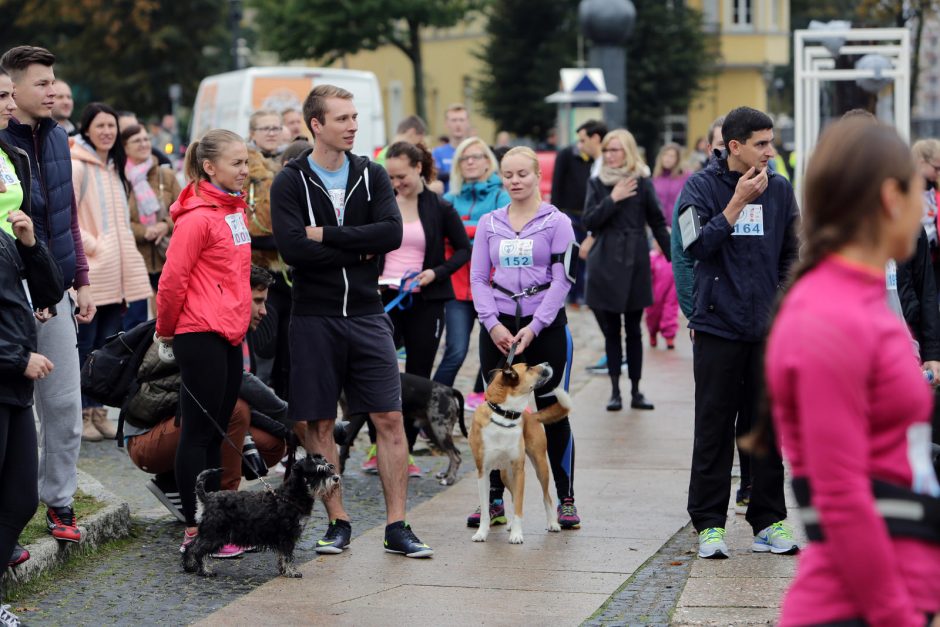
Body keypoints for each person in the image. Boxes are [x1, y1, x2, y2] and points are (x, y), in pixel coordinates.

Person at [766, 117, 940, 626]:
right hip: (854, 611)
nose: (924, 209)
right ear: (891, 197)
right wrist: (896, 615)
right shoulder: (830, 316)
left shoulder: (855, 300)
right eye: (919, 191)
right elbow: (838, 494)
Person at [270, 84, 433, 558]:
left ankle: (397, 526)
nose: (353, 126)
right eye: (342, 118)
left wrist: (328, 236)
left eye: (355, 117)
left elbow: (391, 233)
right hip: (314, 316)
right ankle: (338, 521)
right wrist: (355, 248)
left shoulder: (372, 173)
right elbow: (292, 249)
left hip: (366, 312)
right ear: (316, 125)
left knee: (389, 416)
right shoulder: (290, 180)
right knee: (319, 422)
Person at [679, 107, 800, 559]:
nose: (771, 151)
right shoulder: (700, 187)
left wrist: (781, 298)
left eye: (772, 142)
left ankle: (768, 521)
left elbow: (793, 254)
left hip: (767, 328)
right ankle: (709, 524)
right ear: (735, 146)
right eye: (762, 143)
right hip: (717, 326)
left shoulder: (781, 189)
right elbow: (694, 246)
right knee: (713, 427)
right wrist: (735, 206)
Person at [0, 46, 95, 544]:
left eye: (54, 80)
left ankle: (60, 501)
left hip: (54, 284)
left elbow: (67, 219)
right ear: (10, 90)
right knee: (14, 407)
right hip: (8, 287)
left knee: (62, 402)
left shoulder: (59, 139)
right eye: (41, 82)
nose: (53, 89)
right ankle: (8, 523)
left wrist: (79, 279)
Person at [468, 146, 580, 529]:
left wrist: (535, 327)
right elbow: (479, 278)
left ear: (537, 177)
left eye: (522, 174)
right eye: (508, 175)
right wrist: (492, 324)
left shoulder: (557, 221)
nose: (515, 181)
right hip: (498, 325)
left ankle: (565, 497)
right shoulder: (489, 223)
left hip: (544, 325)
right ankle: (495, 500)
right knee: (497, 412)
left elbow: (563, 278)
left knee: (552, 410)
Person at [128, 267, 291, 528]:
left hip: (180, 427)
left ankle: (174, 482)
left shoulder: (236, 330)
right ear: (237, 295)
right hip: (145, 439)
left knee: (272, 442)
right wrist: (290, 416)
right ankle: (225, 511)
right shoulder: (205, 330)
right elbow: (239, 385)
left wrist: (285, 426)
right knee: (234, 411)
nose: (264, 311)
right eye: (258, 301)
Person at [155, 128, 253, 554]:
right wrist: (165, 331)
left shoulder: (235, 211)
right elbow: (172, 281)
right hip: (199, 333)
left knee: (216, 433)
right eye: (237, 163)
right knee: (197, 433)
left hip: (230, 333)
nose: (245, 171)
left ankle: (216, 525)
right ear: (210, 167)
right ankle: (195, 530)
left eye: (247, 162)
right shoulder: (196, 218)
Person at [0, 67, 64, 624]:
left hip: (14, 360)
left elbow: (43, 287)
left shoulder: (10, 166)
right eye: (0, 96)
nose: (9, 106)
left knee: (21, 496)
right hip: (6, 362)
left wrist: (29, 242)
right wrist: (14, 355)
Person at [365, 141, 470, 474]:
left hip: (425, 299)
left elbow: (464, 250)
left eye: (401, 176)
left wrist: (435, 273)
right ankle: (376, 446)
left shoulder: (439, 206)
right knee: (377, 374)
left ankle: (405, 450)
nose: (396, 183)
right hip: (384, 298)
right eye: (391, 177)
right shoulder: (381, 204)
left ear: (419, 168)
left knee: (418, 376)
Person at [72, 103, 152, 440]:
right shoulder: (78, 166)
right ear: (87, 129)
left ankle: (99, 412)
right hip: (95, 269)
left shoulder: (116, 167)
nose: (107, 131)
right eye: (100, 125)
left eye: (111, 126)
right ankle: (82, 413)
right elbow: (69, 215)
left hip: (119, 272)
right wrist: (97, 246)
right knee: (86, 346)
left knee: (107, 348)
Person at [582, 129, 670, 411]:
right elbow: (589, 221)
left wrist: (674, 259)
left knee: (634, 329)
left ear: (628, 152)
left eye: (615, 150)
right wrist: (613, 198)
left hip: (635, 260)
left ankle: (635, 390)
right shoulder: (597, 182)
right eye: (606, 150)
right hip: (605, 259)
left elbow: (657, 221)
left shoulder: (642, 183)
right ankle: (615, 391)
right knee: (610, 331)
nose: (609, 155)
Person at [431, 137, 510, 412]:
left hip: (494, 287)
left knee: (499, 349)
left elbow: (503, 231)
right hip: (457, 286)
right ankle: (433, 409)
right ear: (459, 165)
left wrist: (462, 232)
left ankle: (481, 398)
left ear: (489, 162)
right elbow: (440, 238)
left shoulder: (501, 195)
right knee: (455, 350)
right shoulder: (450, 199)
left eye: (477, 156)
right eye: (465, 158)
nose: (471, 161)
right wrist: (479, 231)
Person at [244, 109, 290, 394]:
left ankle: (287, 416)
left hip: (289, 272)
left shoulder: (294, 162)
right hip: (258, 268)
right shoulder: (246, 168)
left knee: (288, 347)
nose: (272, 133)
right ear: (252, 134)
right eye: (265, 128)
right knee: (264, 345)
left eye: (275, 127)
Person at [121, 123, 181, 330]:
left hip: (166, 256)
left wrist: (165, 225)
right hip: (135, 259)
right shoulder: (120, 178)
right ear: (125, 147)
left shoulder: (166, 175)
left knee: (170, 317)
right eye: (137, 140)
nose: (144, 144)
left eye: (146, 139)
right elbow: (117, 219)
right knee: (134, 322)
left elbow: (184, 210)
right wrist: (143, 231)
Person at [551, 119, 606, 306]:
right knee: (573, 256)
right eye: (579, 140)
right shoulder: (567, 154)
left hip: (590, 215)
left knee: (588, 256)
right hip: (571, 214)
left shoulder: (597, 161)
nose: (580, 144)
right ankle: (573, 295)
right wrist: (556, 213)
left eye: (583, 140)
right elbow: (557, 185)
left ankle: (585, 293)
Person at [645, 143, 689, 350]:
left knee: (672, 281)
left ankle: (669, 329)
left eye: (672, 156)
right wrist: (658, 233)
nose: (669, 159)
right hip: (657, 233)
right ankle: (653, 327)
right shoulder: (654, 180)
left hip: (678, 231)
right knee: (656, 281)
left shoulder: (685, 178)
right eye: (666, 155)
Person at [912, 138, 940, 289]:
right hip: (917, 257)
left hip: (934, 259)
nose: (938, 173)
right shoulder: (911, 189)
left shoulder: (933, 190)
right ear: (922, 162)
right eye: (936, 168)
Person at [432, 103, 470, 193]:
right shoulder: (437, 153)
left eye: (461, 120)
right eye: (454, 120)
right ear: (446, 124)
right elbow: (433, 180)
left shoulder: (477, 151)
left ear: (468, 123)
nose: (458, 124)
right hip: (445, 203)